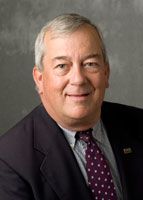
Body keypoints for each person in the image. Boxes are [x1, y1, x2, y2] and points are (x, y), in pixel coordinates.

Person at [0, 13, 143, 200]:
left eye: (90, 64)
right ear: (40, 79)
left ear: (106, 73)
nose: (78, 79)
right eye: (62, 66)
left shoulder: (139, 125)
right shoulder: (10, 160)